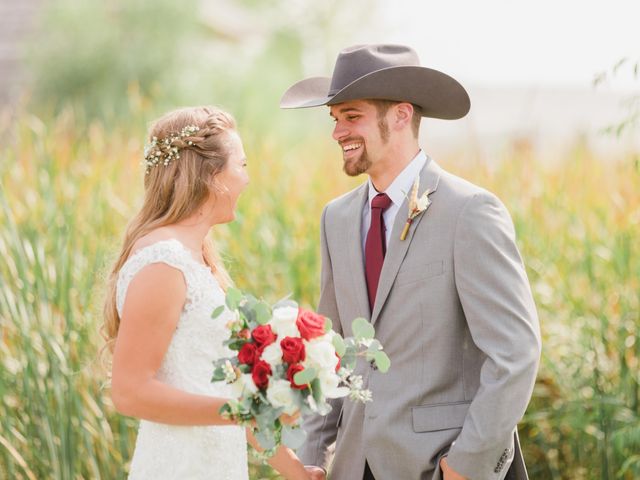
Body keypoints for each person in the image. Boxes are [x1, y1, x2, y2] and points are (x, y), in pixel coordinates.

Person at [280, 44, 541, 480]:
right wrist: (308, 455)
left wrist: (466, 465)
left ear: (401, 115)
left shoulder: (470, 211)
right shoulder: (337, 218)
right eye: (335, 119)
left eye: (352, 116)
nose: (337, 132)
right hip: (351, 466)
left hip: (440, 466)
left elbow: (515, 354)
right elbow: (332, 351)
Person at [103, 106, 312, 480]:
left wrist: (297, 472)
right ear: (212, 177)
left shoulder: (197, 259)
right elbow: (129, 392)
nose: (247, 179)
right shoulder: (164, 263)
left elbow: (224, 393)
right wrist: (240, 410)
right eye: (242, 165)